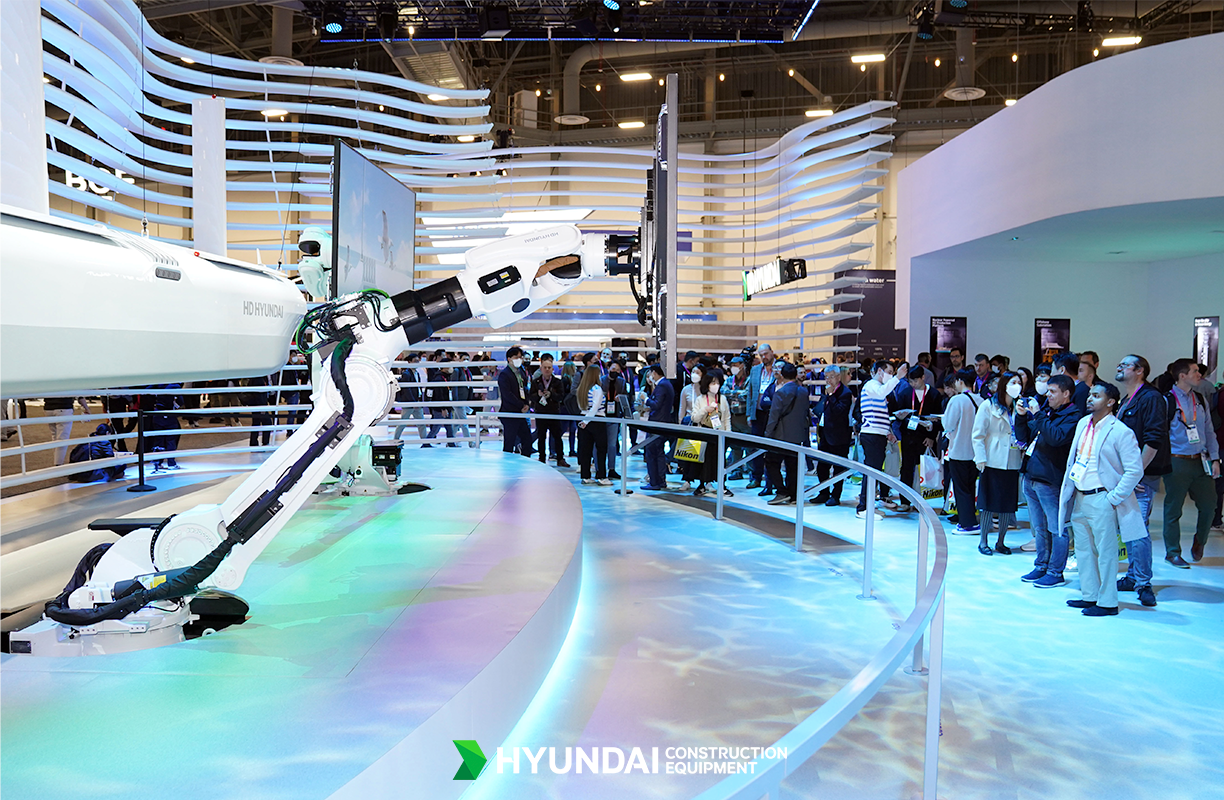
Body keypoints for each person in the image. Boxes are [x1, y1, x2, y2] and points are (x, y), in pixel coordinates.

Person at [1057, 383, 1144, 617]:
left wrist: (1113, 498)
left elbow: (1135, 470)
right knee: (1083, 550)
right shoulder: (1083, 423)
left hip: (1102, 497)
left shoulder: (1121, 431)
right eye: (1090, 395)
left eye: (1096, 395)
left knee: (1106, 552)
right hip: (1080, 495)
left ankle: (1108, 602)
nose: (1090, 399)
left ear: (1110, 402)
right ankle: (1090, 595)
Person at [1015, 374, 1081, 587]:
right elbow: (1024, 437)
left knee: (1056, 528)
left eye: (1053, 391)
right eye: (1048, 391)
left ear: (1066, 393)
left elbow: (1055, 438)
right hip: (1031, 475)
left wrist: (1038, 414)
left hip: (1050, 480)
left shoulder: (1073, 416)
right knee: (1039, 527)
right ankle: (1041, 565)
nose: (1048, 395)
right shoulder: (1048, 412)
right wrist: (1021, 417)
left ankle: (1055, 571)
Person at [1113, 354, 1167, 604]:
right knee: (1130, 527)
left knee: (1138, 529)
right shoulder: (1127, 399)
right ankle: (1133, 576)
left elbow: (1153, 440)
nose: (1119, 367)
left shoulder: (1151, 398)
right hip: (1127, 476)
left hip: (1141, 477)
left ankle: (1144, 583)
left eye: (1125, 365)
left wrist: (1136, 474)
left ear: (1140, 371)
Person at [1161, 359, 1221, 567]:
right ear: (1182, 376)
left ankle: (1200, 540)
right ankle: (1172, 552)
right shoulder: (1167, 401)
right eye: (1195, 371)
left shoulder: (1200, 399)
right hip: (1177, 460)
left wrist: (1215, 458)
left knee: (1210, 505)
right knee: (1173, 508)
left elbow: (1209, 431)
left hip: (1201, 460)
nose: (1199, 375)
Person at [972, 371, 1025, 555]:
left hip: (1012, 460)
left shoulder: (1019, 407)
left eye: (1019, 382)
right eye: (1013, 382)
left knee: (1007, 505)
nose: (1017, 386)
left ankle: (1001, 541)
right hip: (992, 460)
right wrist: (980, 458)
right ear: (1004, 384)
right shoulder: (988, 405)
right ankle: (983, 541)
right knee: (988, 503)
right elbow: (978, 434)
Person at [857, 360, 906, 518]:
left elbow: (880, 415)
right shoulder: (872, 385)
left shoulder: (876, 388)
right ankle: (863, 508)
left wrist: (887, 432)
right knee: (871, 472)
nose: (891, 375)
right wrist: (897, 378)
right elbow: (881, 393)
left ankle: (868, 506)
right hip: (871, 435)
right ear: (879, 371)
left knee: (875, 472)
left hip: (877, 435)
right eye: (889, 372)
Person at [889, 364, 942, 512]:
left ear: (923, 378)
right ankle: (905, 501)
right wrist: (900, 417)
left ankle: (923, 502)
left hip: (925, 438)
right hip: (908, 437)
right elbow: (897, 415)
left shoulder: (934, 395)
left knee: (924, 470)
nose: (913, 384)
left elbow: (938, 418)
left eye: (915, 381)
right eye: (910, 381)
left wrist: (931, 437)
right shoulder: (905, 393)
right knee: (906, 469)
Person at [942, 368, 983, 533]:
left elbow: (948, 425)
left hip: (959, 450)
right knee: (970, 487)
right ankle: (970, 519)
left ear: (960, 381)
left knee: (961, 489)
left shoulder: (957, 400)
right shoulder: (981, 400)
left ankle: (967, 523)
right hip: (977, 452)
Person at [764, 362, 808, 505]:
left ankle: (782, 491)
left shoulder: (781, 393)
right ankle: (794, 495)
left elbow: (774, 416)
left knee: (771, 462)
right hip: (797, 435)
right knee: (793, 466)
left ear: (782, 375)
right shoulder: (803, 392)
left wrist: (767, 435)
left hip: (780, 435)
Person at [813, 364, 854, 506]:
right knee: (822, 467)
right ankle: (823, 492)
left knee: (838, 468)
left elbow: (839, 411)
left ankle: (836, 495)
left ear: (838, 377)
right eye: (826, 377)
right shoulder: (826, 391)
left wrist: (831, 396)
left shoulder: (845, 393)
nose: (828, 380)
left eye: (831, 377)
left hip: (839, 436)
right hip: (824, 433)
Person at [690, 368, 733, 497]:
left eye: (717, 383)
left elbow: (727, 417)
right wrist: (705, 409)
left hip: (719, 434)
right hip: (704, 433)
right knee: (704, 461)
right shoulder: (700, 399)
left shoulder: (722, 399)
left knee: (720, 461)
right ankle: (702, 484)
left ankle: (722, 485)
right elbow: (694, 418)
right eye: (713, 383)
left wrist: (728, 433)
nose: (716, 386)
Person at [637, 364, 675, 490]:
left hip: (657, 423)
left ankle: (655, 482)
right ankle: (660, 481)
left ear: (654, 373)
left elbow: (657, 404)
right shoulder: (666, 384)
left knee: (652, 452)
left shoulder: (662, 385)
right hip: (662, 421)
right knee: (659, 453)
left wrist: (645, 399)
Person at [745, 343, 778, 489]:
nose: (764, 357)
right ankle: (756, 477)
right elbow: (750, 393)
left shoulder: (779, 368)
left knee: (772, 448)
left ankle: (771, 479)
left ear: (772, 352)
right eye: (761, 355)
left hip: (773, 414)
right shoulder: (755, 370)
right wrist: (749, 413)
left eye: (766, 353)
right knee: (756, 446)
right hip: (757, 412)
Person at [530, 353, 571, 467]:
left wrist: (551, 394)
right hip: (541, 412)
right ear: (541, 368)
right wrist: (538, 396)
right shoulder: (536, 382)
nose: (547, 370)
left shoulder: (558, 382)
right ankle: (541, 457)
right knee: (541, 436)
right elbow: (531, 396)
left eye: (549, 367)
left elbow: (561, 397)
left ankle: (560, 458)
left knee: (557, 436)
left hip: (554, 412)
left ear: (553, 369)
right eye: (545, 367)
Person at [575, 364, 610, 485]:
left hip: (583, 418)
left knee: (585, 450)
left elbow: (582, 407)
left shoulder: (581, 389)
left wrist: (584, 421)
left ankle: (585, 475)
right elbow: (595, 407)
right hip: (597, 420)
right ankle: (602, 476)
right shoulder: (597, 389)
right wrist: (587, 421)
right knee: (601, 449)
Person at [498, 346, 533, 456]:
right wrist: (521, 405)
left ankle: (525, 459)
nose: (519, 359)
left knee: (527, 439)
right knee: (509, 442)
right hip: (510, 412)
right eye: (516, 357)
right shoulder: (504, 374)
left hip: (520, 413)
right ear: (509, 359)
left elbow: (525, 390)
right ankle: (507, 462)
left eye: (520, 357)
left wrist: (527, 403)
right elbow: (507, 394)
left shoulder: (521, 372)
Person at [722, 355, 752, 480]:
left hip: (744, 417)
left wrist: (732, 394)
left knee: (749, 446)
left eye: (736, 365)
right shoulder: (730, 380)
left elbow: (747, 395)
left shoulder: (749, 380)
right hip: (732, 416)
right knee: (735, 446)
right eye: (732, 365)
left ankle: (751, 471)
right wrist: (737, 393)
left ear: (742, 365)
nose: (733, 367)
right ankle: (736, 470)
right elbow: (723, 391)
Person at [43, 395, 82, 466]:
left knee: (55, 435)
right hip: (64, 407)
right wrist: (86, 407)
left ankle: (57, 461)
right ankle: (58, 464)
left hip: (48, 408)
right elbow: (78, 394)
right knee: (63, 438)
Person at [243, 375, 273, 447]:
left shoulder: (256, 378)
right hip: (259, 405)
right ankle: (264, 442)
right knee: (267, 423)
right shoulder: (259, 379)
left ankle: (254, 442)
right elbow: (259, 395)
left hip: (256, 404)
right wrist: (262, 407)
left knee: (256, 423)